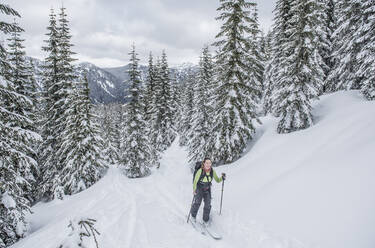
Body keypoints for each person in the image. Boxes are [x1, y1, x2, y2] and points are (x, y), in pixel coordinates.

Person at [190, 158, 226, 226]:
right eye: (207, 163)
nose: (208, 164)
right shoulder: (200, 171)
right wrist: (194, 190)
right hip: (199, 188)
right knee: (197, 202)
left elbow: (217, 180)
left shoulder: (212, 171)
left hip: (207, 189)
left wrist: (222, 178)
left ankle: (205, 220)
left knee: (208, 205)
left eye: (209, 163)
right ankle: (193, 215)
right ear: (204, 163)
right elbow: (195, 181)